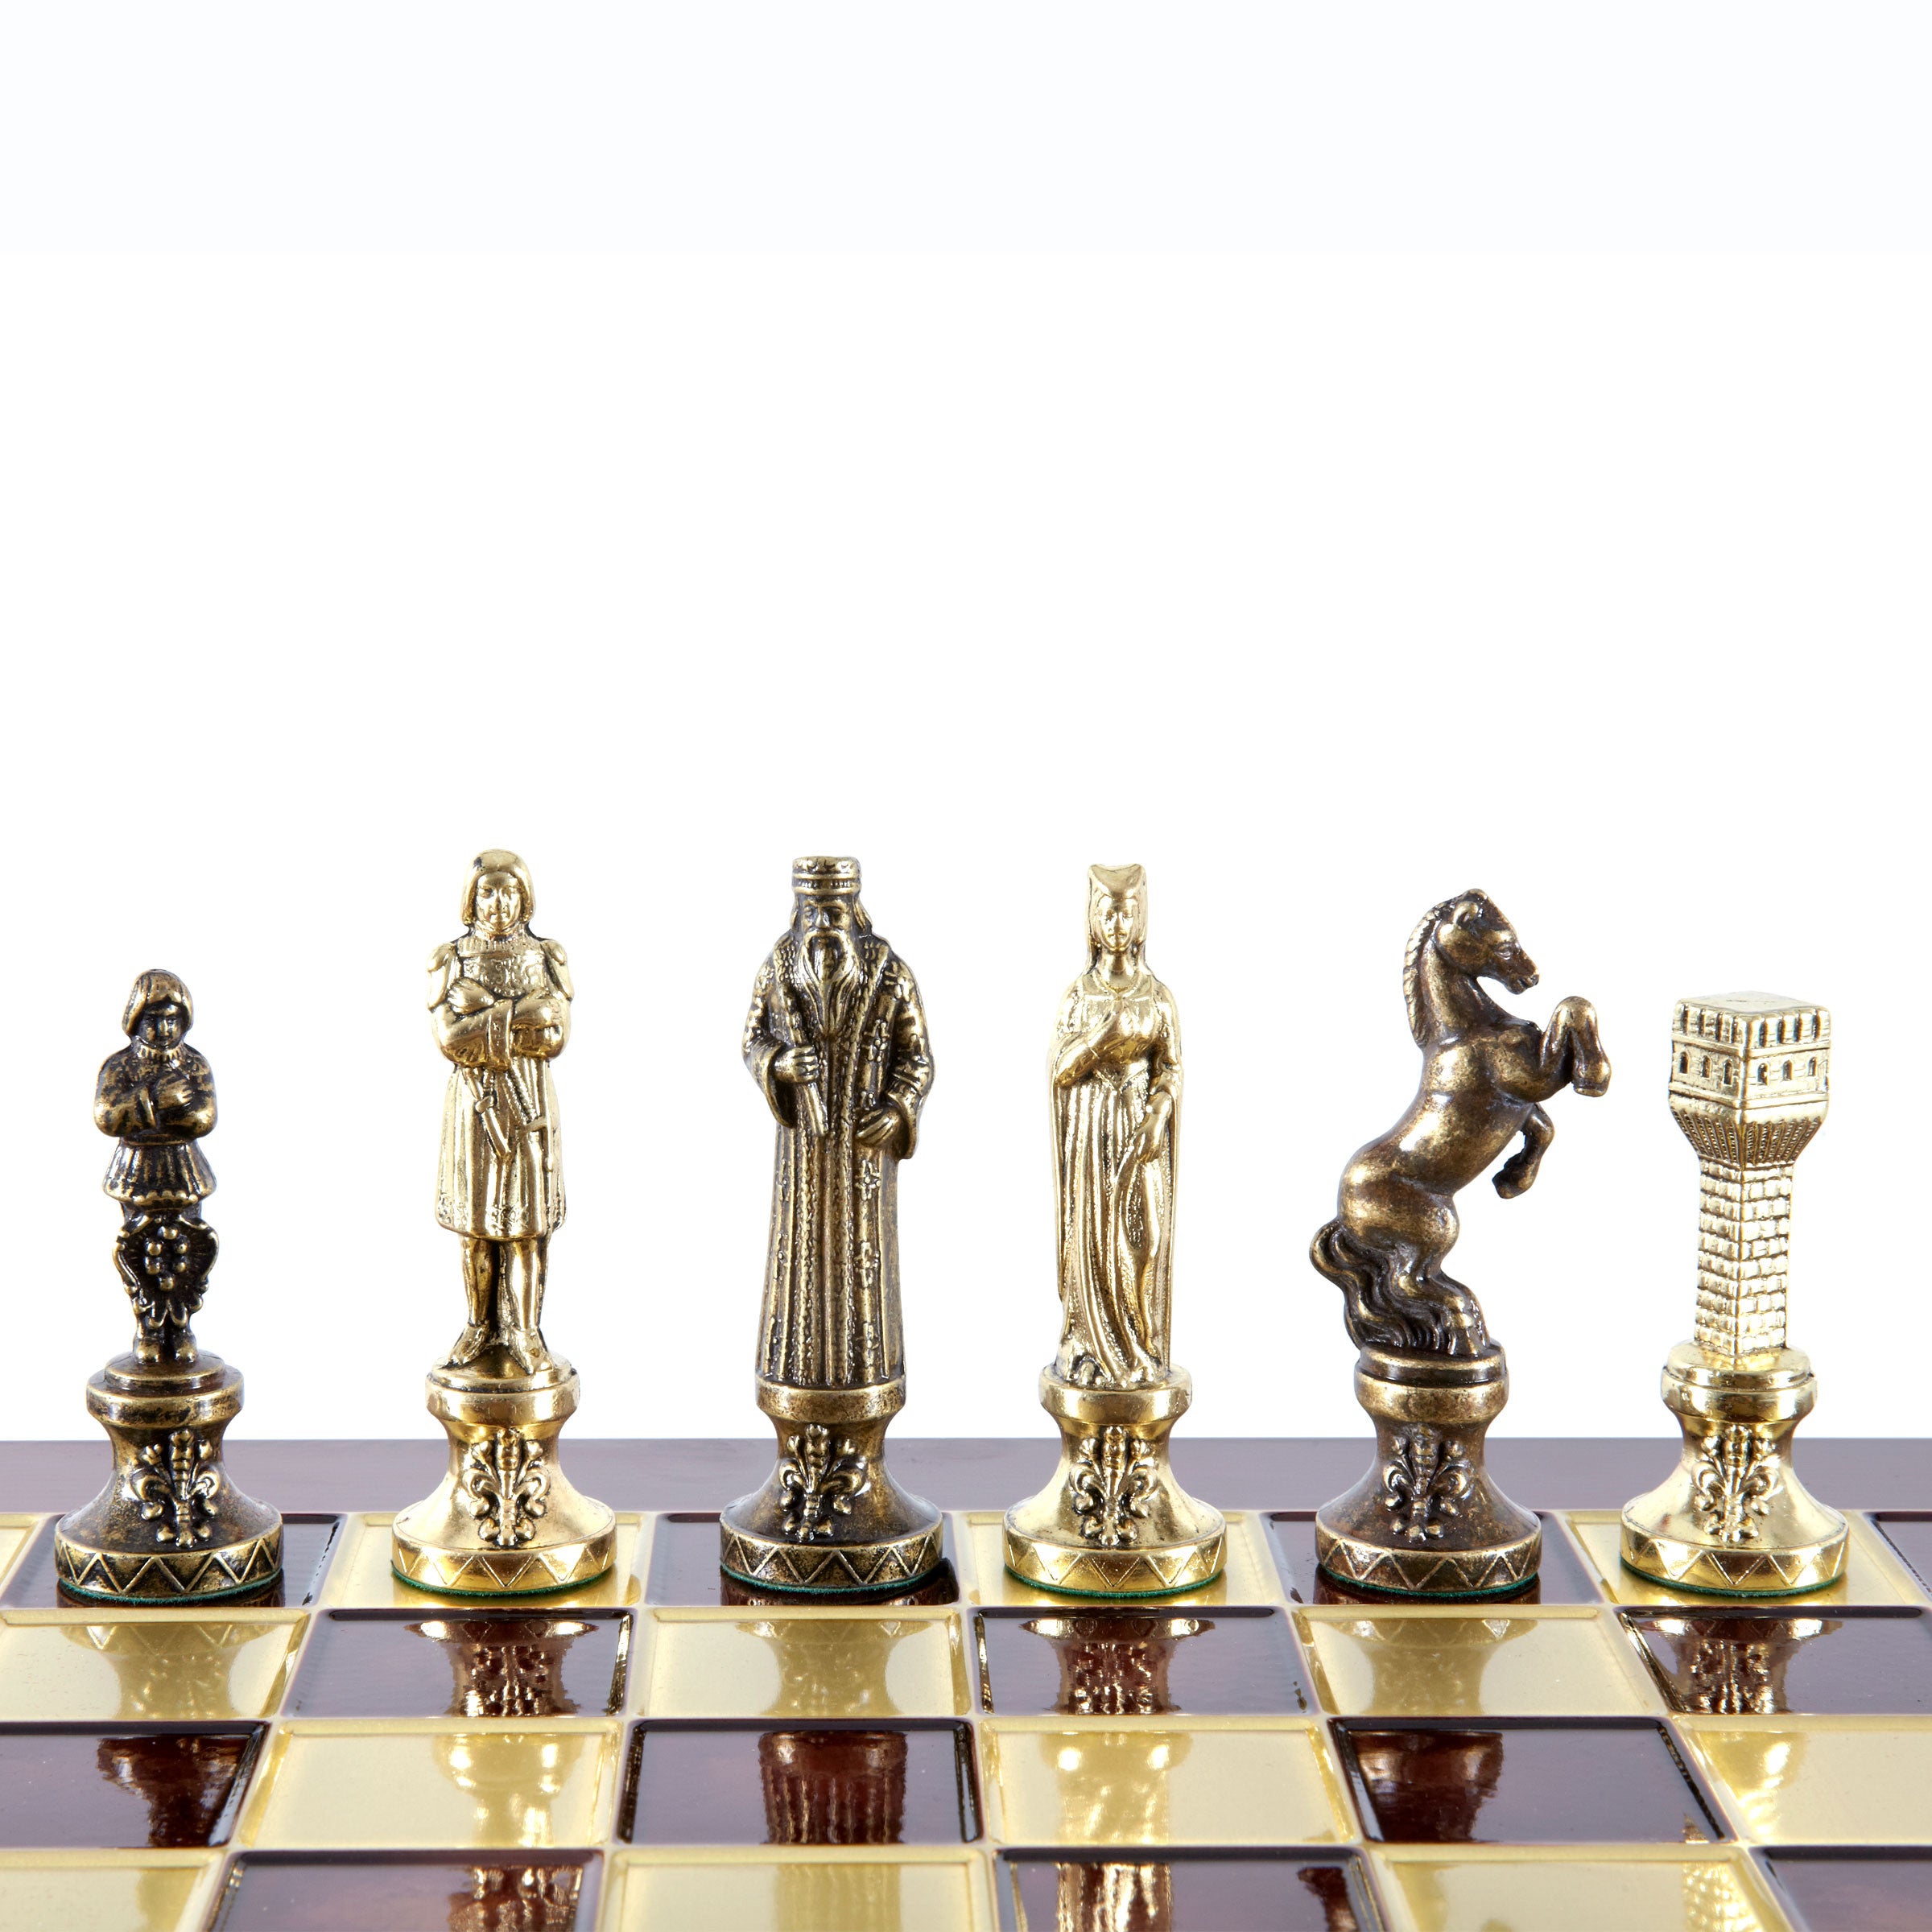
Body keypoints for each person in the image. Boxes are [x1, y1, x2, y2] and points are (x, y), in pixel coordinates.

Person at [742, 856, 935, 1389]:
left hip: (863, 1162)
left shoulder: (890, 973)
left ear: (855, 911)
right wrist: (779, 1064)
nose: (823, 924)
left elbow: (918, 1058)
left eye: (835, 911)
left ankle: (867, 1383)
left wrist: (896, 1109)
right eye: (812, 911)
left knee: (863, 1269)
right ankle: (794, 1383)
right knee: (799, 1267)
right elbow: (753, 1040)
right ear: (798, 912)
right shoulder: (778, 969)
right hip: (802, 1160)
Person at [428, 848, 572, 1376]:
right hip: (476, 1104)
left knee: (527, 1227)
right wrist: (520, 1017)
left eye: (509, 891)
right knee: (477, 1227)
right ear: (471, 899)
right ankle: (479, 1325)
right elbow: (450, 1040)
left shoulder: (545, 956)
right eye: (487, 892)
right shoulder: (452, 959)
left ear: (525, 898)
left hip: (529, 1100)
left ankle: (525, 1332)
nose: (498, 903)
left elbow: (553, 1036)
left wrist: (486, 1015)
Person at [1050, 864, 1182, 1389]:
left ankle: (1142, 1342)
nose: (1118, 925)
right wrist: (1100, 1041)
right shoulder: (1080, 996)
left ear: (1141, 918)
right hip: (1093, 1130)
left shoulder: (1158, 996)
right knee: (1096, 1238)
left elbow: (1171, 1068)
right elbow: (1060, 1071)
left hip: (1140, 1129)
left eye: (1127, 914)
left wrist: (1158, 1114)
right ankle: (1092, 1345)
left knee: (1146, 1238)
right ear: (1093, 920)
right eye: (1108, 914)